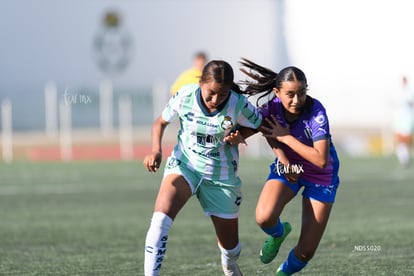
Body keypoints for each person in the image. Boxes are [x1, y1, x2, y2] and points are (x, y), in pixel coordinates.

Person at [143, 60, 262, 276]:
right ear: (200, 83)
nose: (216, 100)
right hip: (185, 165)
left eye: (222, 94)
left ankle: (230, 266)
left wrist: (241, 135)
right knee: (160, 220)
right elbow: (159, 123)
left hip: (221, 177)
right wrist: (155, 150)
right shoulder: (185, 95)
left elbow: (259, 123)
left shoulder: (238, 103)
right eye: (211, 93)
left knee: (231, 250)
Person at [233, 58, 340, 275]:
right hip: (288, 167)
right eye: (290, 94)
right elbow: (251, 129)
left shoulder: (316, 111)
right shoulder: (270, 110)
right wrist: (233, 136)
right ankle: (278, 233)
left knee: (305, 252)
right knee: (264, 217)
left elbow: (320, 159)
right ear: (277, 92)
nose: (296, 100)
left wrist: (286, 138)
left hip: (321, 175)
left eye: (301, 93)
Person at [392, 75, 414, 167]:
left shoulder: (410, 92)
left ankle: (405, 157)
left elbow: (411, 102)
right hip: (399, 119)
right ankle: (403, 157)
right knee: (399, 139)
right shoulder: (398, 92)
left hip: (407, 119)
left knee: (405, 139)